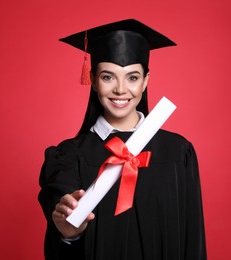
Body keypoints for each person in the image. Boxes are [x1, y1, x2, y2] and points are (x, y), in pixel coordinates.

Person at [38, 19, 207, 260]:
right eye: (108, 77)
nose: (120, 89)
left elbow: (193, 240)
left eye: (132, 77)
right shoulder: (70, 156)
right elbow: (62, 228)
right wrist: (68, 231)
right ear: (94, 80)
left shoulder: (178, 153)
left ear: (145, 81)